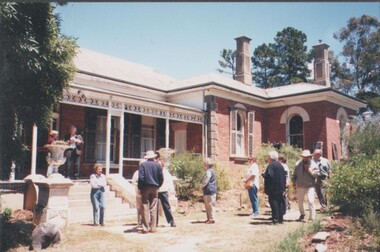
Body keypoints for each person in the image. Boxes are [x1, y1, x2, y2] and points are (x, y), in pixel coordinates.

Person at [138, 150, 163, 234]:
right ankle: (153, 227)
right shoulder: (158, 165)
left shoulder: (143, 165)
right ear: (153, 157)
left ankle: (145, 228)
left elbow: (141, 178)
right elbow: (161, 178)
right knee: (153, 207)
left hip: (145, 187)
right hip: (155, 187)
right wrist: (158, 186)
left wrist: (140, 188)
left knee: (145, 207)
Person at [292, 150, 319, 222]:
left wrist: (309, 170)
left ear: (310, 157)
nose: (305, 158)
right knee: (300, 202)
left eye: (307, 157)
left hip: (310, 186)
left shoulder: (314, 164)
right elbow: (294, 174)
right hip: (300, 185)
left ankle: (311, 217)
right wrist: (294, 182)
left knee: (311, 201)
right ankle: (302, 214)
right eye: (304, 157)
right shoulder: (298, 164)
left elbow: (316, 175)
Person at [262, 151, 287, 225]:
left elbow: (270, 175)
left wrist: (264, 175)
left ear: (271, 158)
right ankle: (280, 219)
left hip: (273, 188)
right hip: (280, 187)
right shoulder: (281, 165)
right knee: (280, 203)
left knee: (274, 203)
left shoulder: (271, 166)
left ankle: (275, 219)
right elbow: (284, 176)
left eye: (268, 157)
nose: (267, 158)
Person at [157, 158, 176, 227]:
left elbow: (170, 181)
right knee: (154, 208)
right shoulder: (155, 171)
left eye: (160, 164)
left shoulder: (165, 171)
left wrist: (172, 189)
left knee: (166, 207)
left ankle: (171, 221)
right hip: (156, 191)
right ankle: (154, 222)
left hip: (164, 191)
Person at [201, 158, 217, 224]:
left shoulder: (209, 171)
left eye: (205, 163)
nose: (204, 164)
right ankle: (209, 218)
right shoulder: (210, 171)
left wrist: (202, 186)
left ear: (207, 164)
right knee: (208, 205)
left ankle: (211, 219)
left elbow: (206, 180)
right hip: (208, 190)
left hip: (209, 190)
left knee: (210, 205)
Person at [132, 159, 145, 227]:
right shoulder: (137, 172)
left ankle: (145, 220)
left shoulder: (146, 172)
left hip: (146, 191)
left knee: (145, 206)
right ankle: (139, 220)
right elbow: (133, 181)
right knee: (139, 207)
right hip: (139, 192)